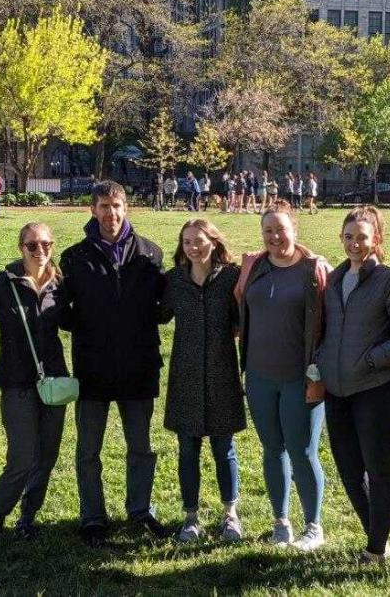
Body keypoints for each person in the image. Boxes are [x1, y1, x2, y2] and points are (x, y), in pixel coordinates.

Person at [60, 180, 169, 546]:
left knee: (140, 446)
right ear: (92, 210)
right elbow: (61, 310)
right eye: (104, 206)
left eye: (117, 205)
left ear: (127, 207)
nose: (111, 213)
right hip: (92, 367)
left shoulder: (150, 254)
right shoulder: (74, 258)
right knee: (88, 450)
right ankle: (93, 516)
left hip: (139, 366)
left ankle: (140, 510)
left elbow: (162, 309)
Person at [317, 206, 390, 564]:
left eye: (361, 237)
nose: (354, 244)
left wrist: (372, 359)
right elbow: (328, 329)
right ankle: (378, 536)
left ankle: (375, 549)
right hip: (337, 391)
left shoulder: (389, 281)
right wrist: (323, 361)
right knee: (348, 470)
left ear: (376, 239)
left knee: (377, 470)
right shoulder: (334, 279)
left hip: (375, 391)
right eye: (348, 237)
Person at [233, 201, 331, 551]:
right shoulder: (255, 267)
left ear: (295, 229)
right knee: (272, 449)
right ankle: (281, 521)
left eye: (281, 229)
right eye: (268, 231)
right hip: (258, 377)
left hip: (300, 378)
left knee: (303, 451)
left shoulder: (314, 269)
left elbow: (332, 322)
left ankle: (313, 525)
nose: (275, 237)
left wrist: (319, 372)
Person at [161, 219, 246, 542]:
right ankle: (190, 517)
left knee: (225, 448)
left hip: (222, 373)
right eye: (186, 242)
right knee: (187, 449)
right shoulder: (174, 281)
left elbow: (242, 321)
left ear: (213, 241)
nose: (193, 248)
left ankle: (230, 514)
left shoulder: (231, 278)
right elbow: (156, 312)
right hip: (185, 374)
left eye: (199, 241)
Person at [0, 223, 70, 538]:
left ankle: (27, 518)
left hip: (54, 381)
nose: (40, 251)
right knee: (21, 457)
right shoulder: (1, 282)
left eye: (46, 244)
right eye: (32, 245)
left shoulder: (60, 284)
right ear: (20, 247)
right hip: (16, 380)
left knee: (46, 457)